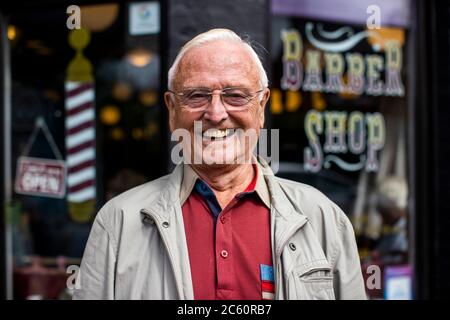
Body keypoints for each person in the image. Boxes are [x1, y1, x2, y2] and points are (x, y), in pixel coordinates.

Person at [73, 29, 366, 300]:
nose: (215, 113)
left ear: (261, 107)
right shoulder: (118, 223)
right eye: (197, 95)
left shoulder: (323, 219)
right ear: (172, 111)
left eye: (235, 95)